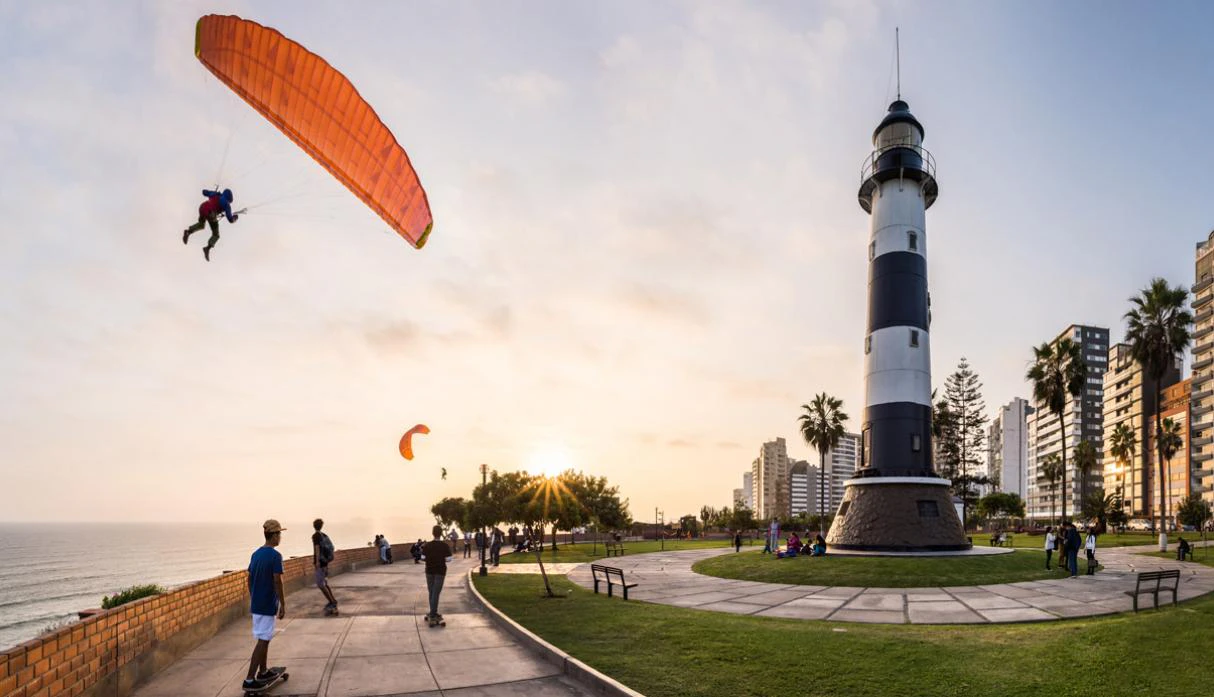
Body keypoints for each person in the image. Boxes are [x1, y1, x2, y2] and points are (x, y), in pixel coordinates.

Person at [243, 519, 286, 693]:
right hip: (267, 604)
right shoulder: (275, 556)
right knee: (263, 641)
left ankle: (263, 671)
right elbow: (278, 581)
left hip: (257, 604)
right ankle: (249, 679)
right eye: (279, 534)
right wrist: (283, 604)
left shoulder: (256, 554)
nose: (280, 537)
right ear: (274, 535)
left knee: (264, 637)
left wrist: (254, 596)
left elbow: (249, 578)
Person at [183, 188, 239, 261]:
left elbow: (204, 192)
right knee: (216, 235)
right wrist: (235, 218)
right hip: (210, 213)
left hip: (202, 207)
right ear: (229, 199)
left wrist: (213, 192)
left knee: (201, 224)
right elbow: (230, 220)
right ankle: (207, 248)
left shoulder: (215, 194)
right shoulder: (227, 204)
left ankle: (188, 232)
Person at [421, 524, 453, 626]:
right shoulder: (444, 546)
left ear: (433, 533)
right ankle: (433, 614)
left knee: (431, 592)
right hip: (440, 572)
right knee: (436, 593)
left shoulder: (427, 545)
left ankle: (432, 612)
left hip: (429, 571)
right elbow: (449, 559)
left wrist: (430, 559)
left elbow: (422, 558)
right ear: (441, 534)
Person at [311, 519, 338, 615]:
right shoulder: (324, 535)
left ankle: (332, 602)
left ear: (314, 526)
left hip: (320, 563)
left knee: (320, 584)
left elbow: (317, 548)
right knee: (325, 583)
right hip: (325, 562)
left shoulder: (315, 536)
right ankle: (333, 600)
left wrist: (317, 562)